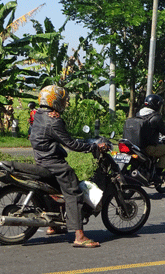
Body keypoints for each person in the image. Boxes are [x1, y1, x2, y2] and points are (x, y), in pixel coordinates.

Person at [29, 85, 108, 248]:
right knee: (74, 193)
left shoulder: (37, 114)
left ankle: (54, 225)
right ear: (55, 102)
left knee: (54, 190)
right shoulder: (54, 120)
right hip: (53, 163)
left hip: (40, 159)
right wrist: (94, 147)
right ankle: (79, 236)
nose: (65, 104)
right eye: (63, 101)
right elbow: (71, 144)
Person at [136, 94, 165, 178]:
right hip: (147, 147)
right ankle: (157, 174)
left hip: (136, 145)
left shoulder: (138, 113)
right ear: (156, 105)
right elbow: (164, 131)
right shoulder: (156, 117)